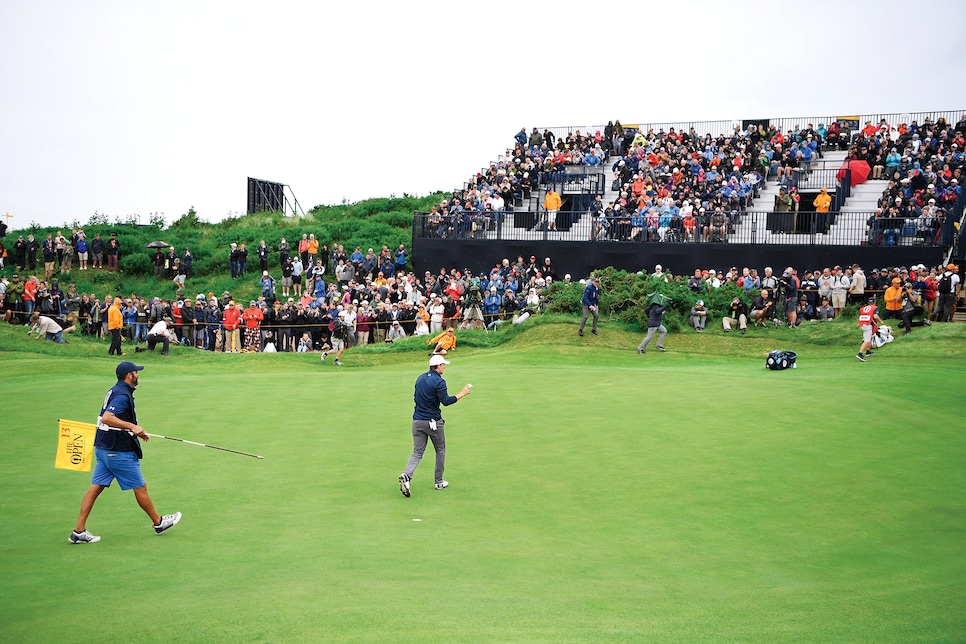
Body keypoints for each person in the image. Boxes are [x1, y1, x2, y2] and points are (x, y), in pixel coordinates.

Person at [69, 362, 181, 543]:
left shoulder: (115, 390)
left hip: (104, 449)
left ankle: (79, 531)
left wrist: (136, 431)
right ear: (129, 375)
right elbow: (107, 417)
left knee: (96, 487)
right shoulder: (122, 395)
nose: (138, 374)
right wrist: (133, 426)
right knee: (140, 487)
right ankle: (158, 523)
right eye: (136, 372)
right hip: (118, 452)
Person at [398, 354, 472, 497]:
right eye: (443, 365)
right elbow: (446, 401)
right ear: (438, 366)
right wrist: (462, 393)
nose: (444, 367)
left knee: (417, 452)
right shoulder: (440, 382)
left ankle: (407, 476)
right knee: (440, 449)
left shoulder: (420, 378)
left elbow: (416, 397)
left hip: (417, 421)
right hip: (433, 422)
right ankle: (438, 482)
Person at [856, 296, 883, 362]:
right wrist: (880, 321)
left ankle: (868, 351)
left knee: (870, 337)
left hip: (862, 324)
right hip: (868, 324)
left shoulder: (863, 308)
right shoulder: (875, 308)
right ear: (874, 302)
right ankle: (860, 353)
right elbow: (875, 316)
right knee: (867, 340)